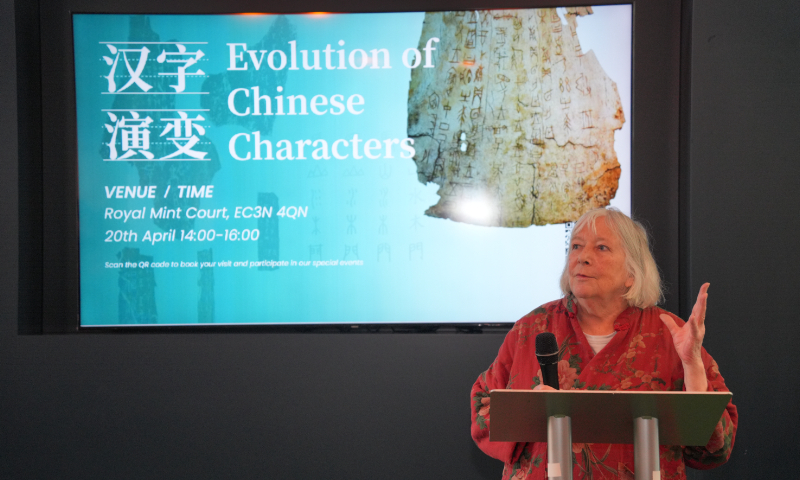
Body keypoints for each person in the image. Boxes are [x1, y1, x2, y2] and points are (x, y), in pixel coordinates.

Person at [470, 207, 737, 480]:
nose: (582, 257)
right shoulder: (532, 328)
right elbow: (483, 410)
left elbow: (716, 448)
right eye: (576, 246)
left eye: (601, 248)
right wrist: (530, 412)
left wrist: (692, 367)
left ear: (632, 272)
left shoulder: (669, 333)